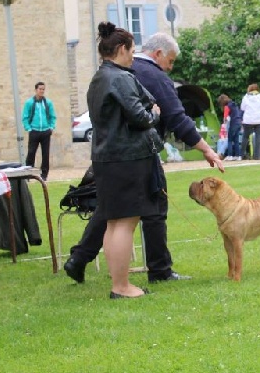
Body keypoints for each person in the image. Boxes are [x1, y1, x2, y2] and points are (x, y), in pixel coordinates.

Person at [65, 32, 225, 286]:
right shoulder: (142, 76)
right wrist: (206, 148)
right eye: (170, 61)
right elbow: (169, 117)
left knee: (110, 211)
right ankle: (155, 271)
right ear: (157, 53)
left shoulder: (103, 75)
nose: (171, 68)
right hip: (135, 154)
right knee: (150, 209)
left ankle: (80, 257)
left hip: (106, 154)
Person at [83, 22, 163, 299]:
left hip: (106, 158)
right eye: (131, 50)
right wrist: (154, 114)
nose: (133, 56)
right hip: (127, 158)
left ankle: (119, 283)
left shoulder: (99, 77)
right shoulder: (120, 78)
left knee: (114, 222)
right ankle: (121, 286)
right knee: (126, 222)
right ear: (120, 49)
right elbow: (141, 116)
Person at [22, 82, 56, 181]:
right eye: (40, 89)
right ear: (36, 90)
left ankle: (44, 175)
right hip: (34, 131)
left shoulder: (48, 103)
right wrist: (28, 128)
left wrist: (51, 127)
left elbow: (53, 116)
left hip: (45, 131)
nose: (42, 91)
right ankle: (28, 174)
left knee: (45, 154)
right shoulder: (29, 103)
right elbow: (25, 117)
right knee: (31, 152)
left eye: (43, 89)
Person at [240, 84, 260, 160]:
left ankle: (242, 155)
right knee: (258, 137)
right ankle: (257, 156)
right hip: (259, 120)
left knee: (245, 137)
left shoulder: (245, 97)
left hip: (248, 120)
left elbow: (242, 108)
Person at [217, 94, 242, 161]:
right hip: (239, 123)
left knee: (230, 140)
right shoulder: (234, 104)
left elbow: (225, 117)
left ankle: (230, 155)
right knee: (236, 140)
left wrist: (225, 125)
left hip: (233, 124)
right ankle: (238, 156)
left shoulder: (227, 107)